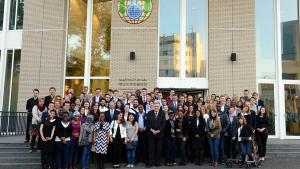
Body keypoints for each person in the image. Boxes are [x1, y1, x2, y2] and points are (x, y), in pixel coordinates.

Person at [145, 102, 166, 167]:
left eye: (157, 106)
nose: (156, 107)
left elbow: (164, 123)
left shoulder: (162, 113)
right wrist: (151, 130)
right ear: (153, 107)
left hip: (159, 134)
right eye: (155, 106)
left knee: (158, 149)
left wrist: (158, 130)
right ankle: (150, 162)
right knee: (151, 149)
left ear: (159, 107)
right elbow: (147, 122)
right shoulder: (149, 113)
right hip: (151, 134)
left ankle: (157, 162)